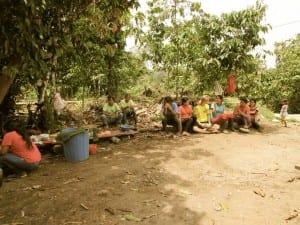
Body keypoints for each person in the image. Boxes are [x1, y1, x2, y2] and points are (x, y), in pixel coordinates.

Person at [0, 120, 41, 186]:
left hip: (30, 164)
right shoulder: (21, 133)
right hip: (37, 161)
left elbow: (3, 152)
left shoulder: (9, 135)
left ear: (5, 129)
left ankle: (20, 172)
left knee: (2, 158)